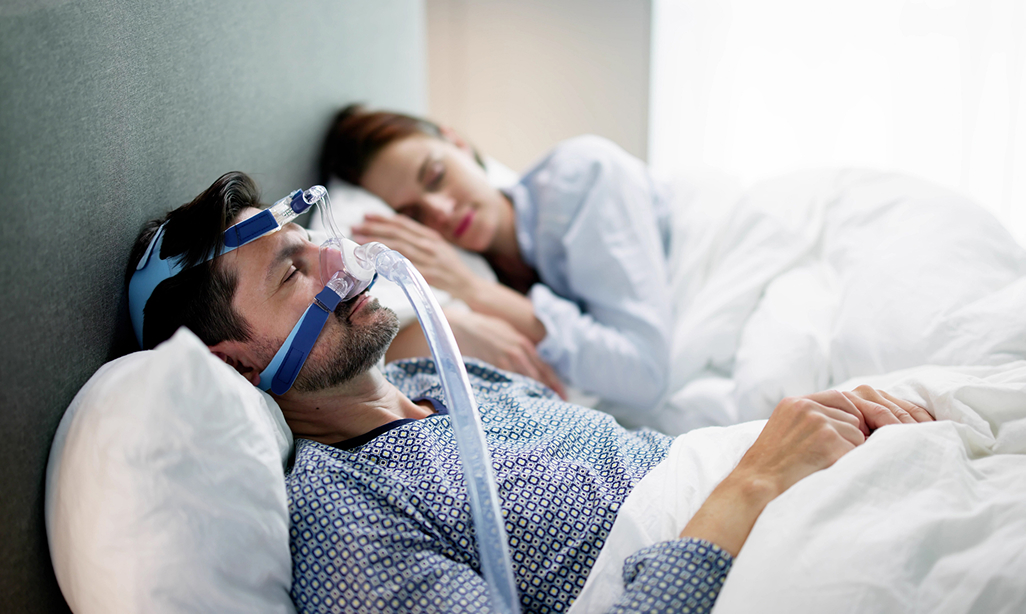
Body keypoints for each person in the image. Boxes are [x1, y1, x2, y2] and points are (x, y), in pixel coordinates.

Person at [127, 171, 934, 613]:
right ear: (238, 367)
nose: (340, 262)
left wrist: (793, 440)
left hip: (790, 486)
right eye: (293, 274)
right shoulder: (342, 517)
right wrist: (756, 480)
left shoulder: (438, 378)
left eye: (313, 241)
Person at [320, 105, 675, 416]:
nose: (441, 210)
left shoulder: (582, 177)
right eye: (414, 215)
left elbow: (645, 375)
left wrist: (472, 288)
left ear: (458, 143)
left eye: (435, 176)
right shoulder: (485, 263)